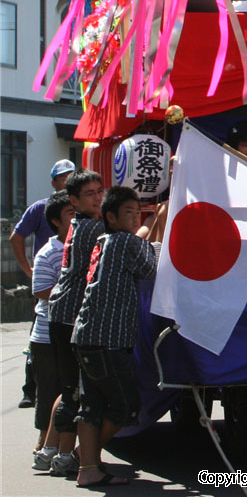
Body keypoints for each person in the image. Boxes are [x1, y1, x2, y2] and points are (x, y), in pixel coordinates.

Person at [72, 186, 156, 488]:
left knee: (91, 406)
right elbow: (150, 268)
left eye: (138, 213)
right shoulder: (123, 242)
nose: (135, 219)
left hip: (87, 335)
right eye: (129, 213)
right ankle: (86, 457)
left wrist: (149, 225)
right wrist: (154, 224)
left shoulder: (105, 240)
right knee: (125, 406)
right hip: (107, 339)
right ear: (110, 216)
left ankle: (87, 466)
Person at [46, 169, 104, 474]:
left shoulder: (81, 223)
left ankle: (53, 451)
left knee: (69, 389)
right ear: (74, 200)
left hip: (64, 312)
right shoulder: (93, 229)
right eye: (90, 194)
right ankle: (64, 457)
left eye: (99, 191)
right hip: (70, 316)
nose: (97, 198)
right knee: (74, 392)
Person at [10, 158, 76, 409]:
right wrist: (28, 270)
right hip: (48, 285)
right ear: (54, 182)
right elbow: (16, 237)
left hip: (72, 288)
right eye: (64, 178)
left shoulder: (80, 208)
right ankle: (31, 389)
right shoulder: (41, 208)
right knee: (39, 339)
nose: (68, 182)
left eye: (72, 176)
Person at [29, 191, 75, 471]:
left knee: (67, 390)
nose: (77, 217)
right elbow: (40, 290)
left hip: (71, 331)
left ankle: (57, 447)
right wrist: (73, 292)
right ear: (57, 221)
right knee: (49, 391)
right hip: (47, 334)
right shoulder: (48, 252)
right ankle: (43, 444)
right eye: (71, 213)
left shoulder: (82, 246)